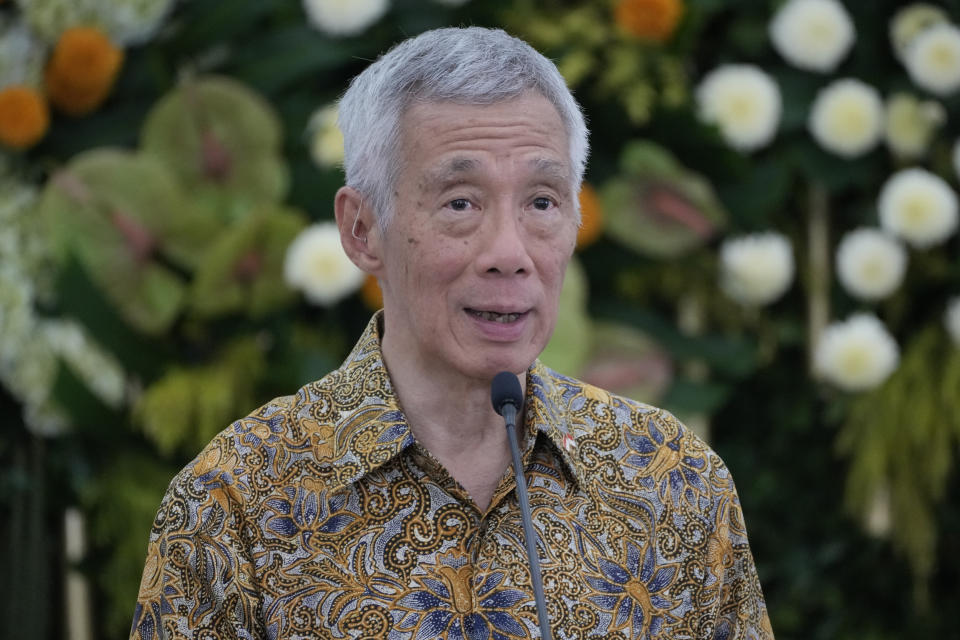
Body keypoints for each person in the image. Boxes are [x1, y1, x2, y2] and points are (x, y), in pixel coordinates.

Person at [131, 27, 773, 640]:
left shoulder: (672, 479)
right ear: (362, 230)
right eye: (461, 202)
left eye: (542, 202)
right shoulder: (236, 500)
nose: (509, 252)